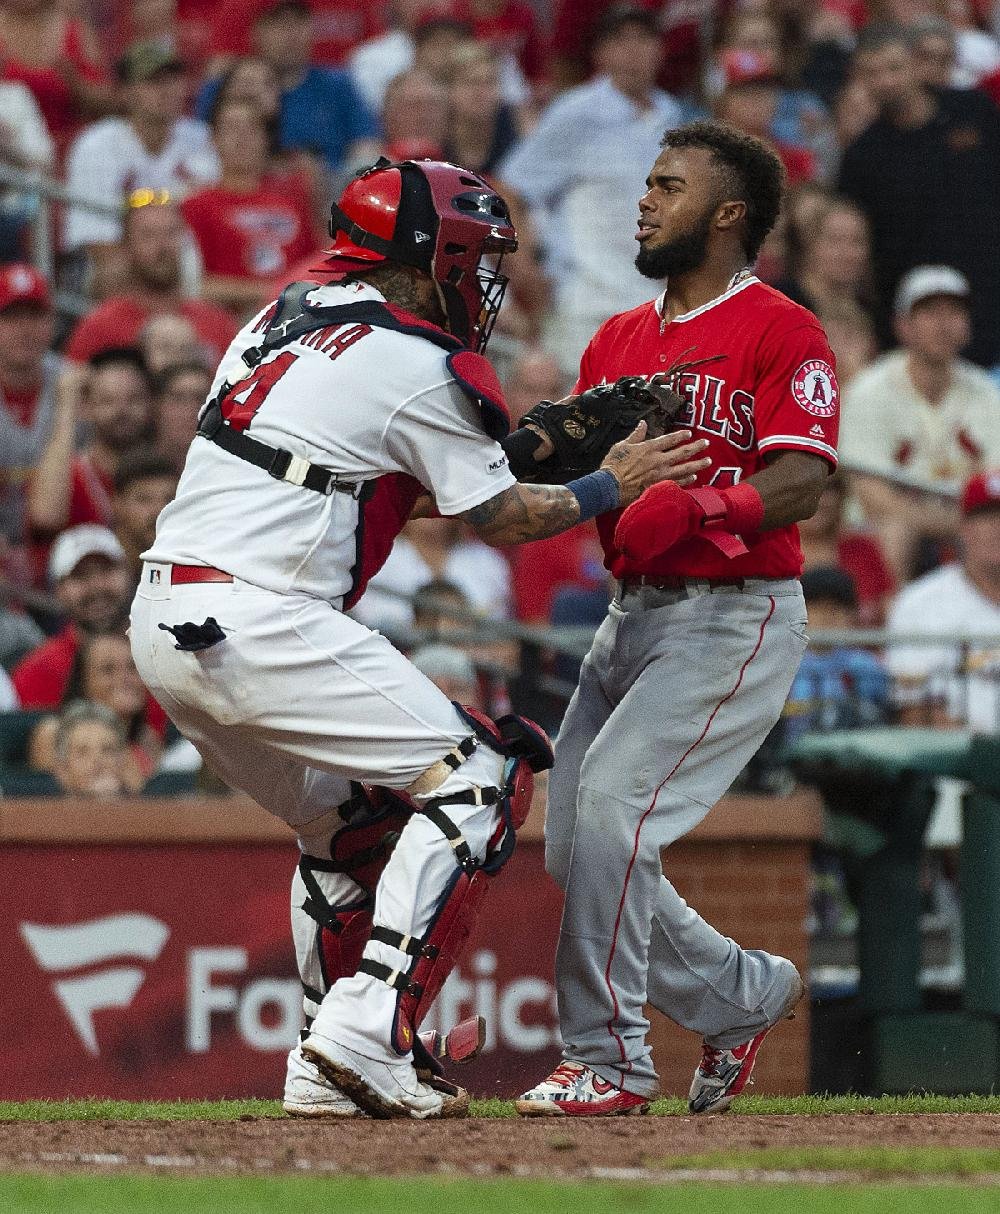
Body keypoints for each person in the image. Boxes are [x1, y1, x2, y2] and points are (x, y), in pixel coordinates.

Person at [128, 156, 703, 1120]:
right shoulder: (423, 359)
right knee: (485, 774)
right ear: (427, 253)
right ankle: (363, 1032)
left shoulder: (286, 316)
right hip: (261, 612)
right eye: (474, 257)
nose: (483, 280)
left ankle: (327, 1056)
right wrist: (612, 479)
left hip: (171, 622)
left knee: (350, 828)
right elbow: (505, 517)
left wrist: (528, 443)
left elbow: (387, 474)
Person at [515, 121, 838, 1118]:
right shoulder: (616, 339)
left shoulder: (781, 327)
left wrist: (707, 504)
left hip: (730, 614)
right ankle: (738, 995)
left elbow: (801, 482)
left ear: (728, 212)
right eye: (646, 182)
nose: (645, 200)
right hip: (633, 612)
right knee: (575, 839)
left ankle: (607, 1057)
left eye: (668, 184)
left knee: (613, 808)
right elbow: (576, 470)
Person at [498, 5, 685, 376]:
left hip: (655, 302)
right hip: (585, 303)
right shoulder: (576, 112)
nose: (634, 50)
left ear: (660, 50)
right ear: (601, 53)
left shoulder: (672, 114)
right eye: (621, 40)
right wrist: (525, 268)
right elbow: (510, 188)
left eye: (644, 39)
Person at [838, 22, 1000, 366]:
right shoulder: (862, 156)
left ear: (915, 64)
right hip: (917, 315)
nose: (885, 81)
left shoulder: (972, 110)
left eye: (894, 68)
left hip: (990, 289)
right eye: (872, 73)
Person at [838, 265, 1000, 581]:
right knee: (896, 533)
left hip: (970, 524)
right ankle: (890, 628)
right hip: (890, 527)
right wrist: (951, 523)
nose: (943, 324)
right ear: (903, 326)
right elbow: (870, 494)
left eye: (954, 312)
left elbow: (994, 481)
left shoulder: (987, 391)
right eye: (929, 312)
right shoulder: (868, 389)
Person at [63, 40, 219, 255]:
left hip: (191, 260)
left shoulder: (202, 139)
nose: (169, 90)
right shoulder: (96, 146)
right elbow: (94, 239)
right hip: (123, 262)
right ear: (126, 93)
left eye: (174, 79)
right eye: (154, 81)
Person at [198, 0, 381, 177]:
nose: (291, 35)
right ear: (256, 32)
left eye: (299, 22)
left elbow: (367, 145)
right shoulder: (232, 85)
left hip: (330, 193)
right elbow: (197, 147)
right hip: (242, 191)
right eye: (279, 24)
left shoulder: (338, 85)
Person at [886, 468, 1000, 731]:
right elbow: (913, 712)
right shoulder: (919, 603)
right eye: (986, 516)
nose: (997, 527)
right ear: (964, 529)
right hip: (955, 765)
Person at [181, 100, 317, 318]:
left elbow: (315, 265)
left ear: (266, 139)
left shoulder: (292, 201)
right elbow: (193, 285)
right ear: (214, 141)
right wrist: (272, 292)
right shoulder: (196, 207)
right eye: (231, 129)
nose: (242, 139)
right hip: (232, 319)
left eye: (251, 129)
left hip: (297, 316)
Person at [65, 196, 238, 366]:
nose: (162, 246)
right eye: (148, 235)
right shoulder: (99, 328)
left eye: (171, 233)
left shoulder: (219, 325)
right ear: (126, 247)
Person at [28, 349, 157, 539]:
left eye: (134, 399)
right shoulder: (70, 474)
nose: (122, 411)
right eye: (108, 400)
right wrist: (67, 407)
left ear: (150, 404)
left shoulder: (164, 473)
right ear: (86, 406)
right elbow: (45, 518)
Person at [0, 263, 61, 554]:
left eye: (35, 317)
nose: (26, 330)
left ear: (51, 323)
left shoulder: (72, 383)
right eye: (12, 318)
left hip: (61, 544)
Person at [111, 450, 179, 580]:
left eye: (169, 499)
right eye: (144, 499)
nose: (159, 510)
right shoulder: (99, 575)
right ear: (117, 505)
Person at [50, 701, 136, 798]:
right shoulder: (41, 812)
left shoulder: (146, 808)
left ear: (123, 762)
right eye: (82, 752)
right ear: (62, 770)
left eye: (108, 750)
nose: (97, 760)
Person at [154, 361, 215, 473]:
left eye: (202, 399)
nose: (191, 410)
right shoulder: (134, 469)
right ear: (157, 406)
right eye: (179, 399)